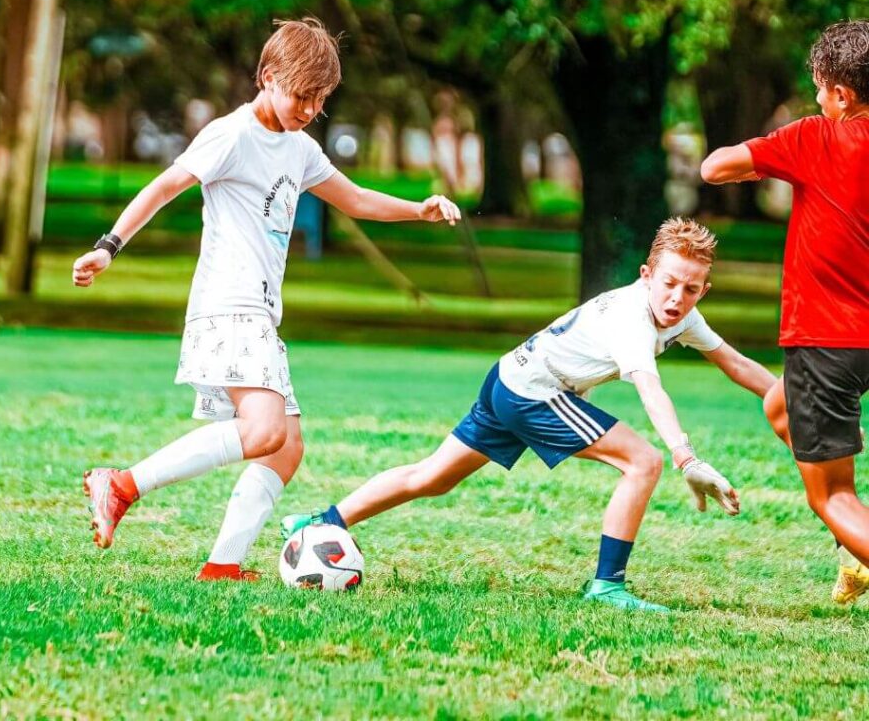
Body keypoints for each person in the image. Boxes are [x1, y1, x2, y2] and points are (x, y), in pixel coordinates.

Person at [73, 18, 460, 580]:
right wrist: (108, 248)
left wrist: (417, 209)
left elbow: (352, 199)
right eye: (301, 95)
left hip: (258, 314)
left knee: (286, 447)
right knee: (264, 432)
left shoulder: (299, 148)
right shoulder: (230, 135)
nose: (308, 109)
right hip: (229, 305)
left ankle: (223, 565)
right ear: (268, 76)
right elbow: (163, 188)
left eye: (319, 101)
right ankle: (122, 484)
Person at [282, 218, 776, 611]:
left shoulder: (681, 313)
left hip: (508, 378)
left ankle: (318, 522)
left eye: (691, 289)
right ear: (646, 275)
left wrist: (786, 401)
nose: (677, 298)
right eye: (669, 284)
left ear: (703, 290)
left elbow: (732, 361)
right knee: (643, 461)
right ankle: (607, 587)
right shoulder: (631, 319)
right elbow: (650, 389)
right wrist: (686, 459)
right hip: (534, 393)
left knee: (432, 477)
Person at [702, 19, 869, 605]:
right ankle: (856, 553)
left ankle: (858, 543)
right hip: (859, 342)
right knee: (780, 406)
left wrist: (768, 163)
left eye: (822, 89)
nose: (818, 100)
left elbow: (713, 168)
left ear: (842, 94)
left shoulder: (814, 138)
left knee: (831, 497)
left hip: (829, 335)